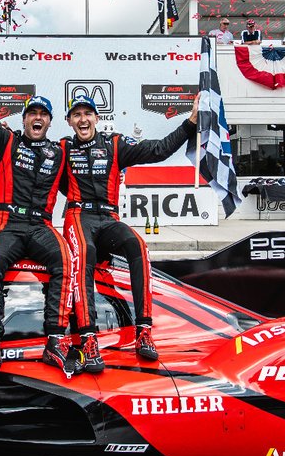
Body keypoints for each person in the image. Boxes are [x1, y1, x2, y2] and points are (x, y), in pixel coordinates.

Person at [0, 30, 94, 384]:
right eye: (32, 113)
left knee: (67, 261)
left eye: (43, 115)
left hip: (42, 226)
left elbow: (91, 171)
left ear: (49, 122)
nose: (37, 118)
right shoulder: (3, 141)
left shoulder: (60, 151)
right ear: (24, 119)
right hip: (8, 223)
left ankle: (54, 341)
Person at [61, 93, 198, 361]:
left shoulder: (115, 144)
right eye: (76, 115)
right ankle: (88, 338)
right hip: (79, 216)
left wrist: (191, 122)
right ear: (69, 121)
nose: (83, 119)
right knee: (85, 251)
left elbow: (159, 149)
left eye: (88, 113)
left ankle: (144, 330)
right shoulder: (63, 148)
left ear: (97, 118)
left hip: (109, 219)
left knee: (138, 245)